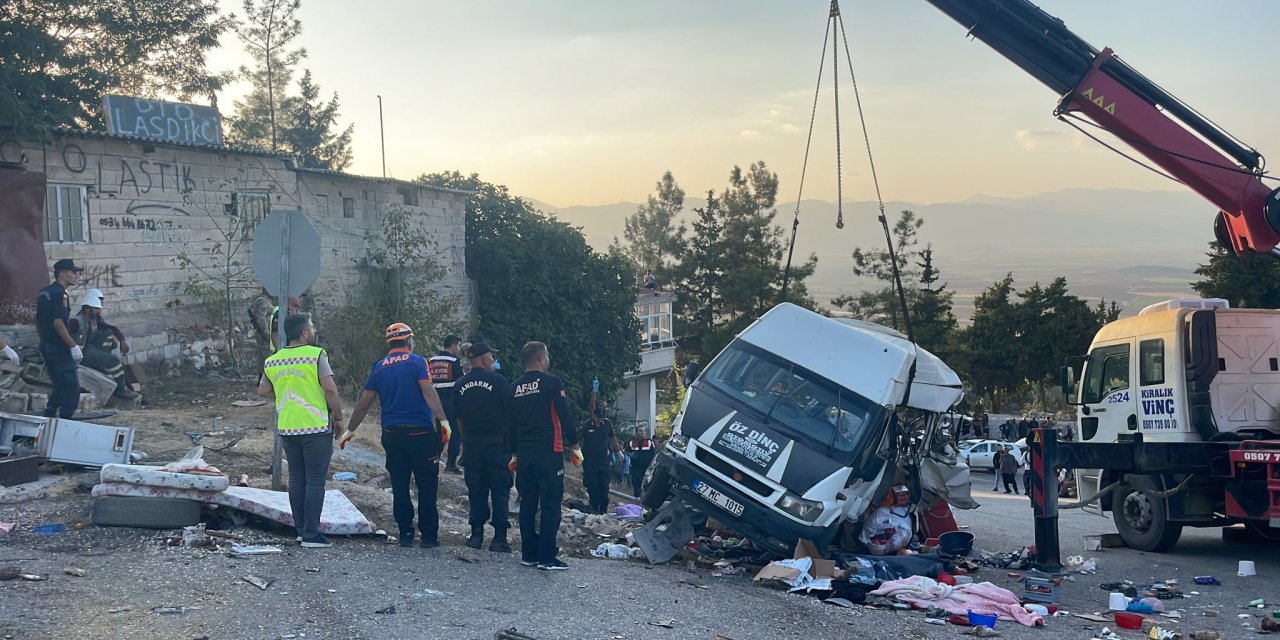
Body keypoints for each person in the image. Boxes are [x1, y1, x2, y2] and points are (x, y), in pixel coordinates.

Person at [341, 322, 450, 548]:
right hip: (420, 432)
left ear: (389, 343)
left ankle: (405, 534)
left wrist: (350, 430)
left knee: (400, 484)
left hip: (392, 433)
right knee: (427, 484)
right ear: (409, 340)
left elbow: (363, 403)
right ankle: (429, 537)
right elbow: (428, 391)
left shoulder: (378, 367)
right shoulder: (419, 362)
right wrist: (443, 419)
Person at [257, 313, 344, 549]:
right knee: (315, 480)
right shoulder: (316, 355)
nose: (314, 330)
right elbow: (330, 389)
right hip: (315, 426)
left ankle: (300, 529)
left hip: (287, 427)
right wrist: (338, 417)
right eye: (312, 327)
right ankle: (312, 534)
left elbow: (262, 390)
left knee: (297, 478)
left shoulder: (273, 360)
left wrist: (286, 392)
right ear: (304, 332)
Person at [507, 341, 580, 571]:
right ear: (540, 359)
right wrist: (575, 445)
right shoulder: (551, 383)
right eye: (546, 357)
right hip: (549, 452)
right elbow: (564, 415)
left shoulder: (514, 387)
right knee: (550, 505)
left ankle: (528, 553)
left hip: (525, 455)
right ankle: (547, 557)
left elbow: (510, 424)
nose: (548, 361)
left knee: (527, 503)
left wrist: (514, 453)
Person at [453, 342, 513, 552]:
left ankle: (476, 535)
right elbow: (509, 414)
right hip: (497, 445)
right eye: (490, 357)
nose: (492, 361)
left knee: (476, 490)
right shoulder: (499, 382)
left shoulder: (460, 384)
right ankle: (499, 539)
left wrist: (466, 439)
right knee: (500, 489)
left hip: (471, 444)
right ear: (484, 358)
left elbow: (459, 418)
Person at [70, 288, 139, 401]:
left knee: (109, 334)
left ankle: (130, 388)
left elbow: (110, 328)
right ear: (88, 309)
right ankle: (120, 390)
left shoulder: (93, 319)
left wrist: (121, 340)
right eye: (96, 308)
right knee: (114, 361)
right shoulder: (76, 322)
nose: (99, 311)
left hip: (89, 348)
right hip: (81, 354)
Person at [35, 259, 84, 418]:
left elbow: (38, 320)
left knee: (60, 385)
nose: (76, 276)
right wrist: (73, 346)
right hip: (59, 348)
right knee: (71, 388)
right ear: (63, 274)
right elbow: (58, 323)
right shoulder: (60, 294)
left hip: (47, 346)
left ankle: (49, 414)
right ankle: (66, 422)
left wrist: (44, 340)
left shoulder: (45, 291)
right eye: (73, 272)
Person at [429, 335, 465, 474]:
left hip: (436, 401)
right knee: (455, 432)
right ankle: (450, 464)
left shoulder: (431, 360)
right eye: (458, 346)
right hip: (451, 400)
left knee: (441, 432)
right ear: (453, 345)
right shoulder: (454, 360)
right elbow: (461, 381)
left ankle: (434, 460)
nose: (459, 349)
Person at [579, 395, 619, 514]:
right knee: (593, 484)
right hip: (589, 461)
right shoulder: (586, 425)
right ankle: (594, 507)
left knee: (604, 484)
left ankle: (604, 508)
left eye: (602, 418)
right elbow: (576, 440)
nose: (600, 420)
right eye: (598, 417)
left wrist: (618, 453)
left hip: (603, 460)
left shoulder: (607, 424)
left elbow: (613, 438)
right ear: (594, 415)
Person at [628, 423, 656, 498]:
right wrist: (631, 455)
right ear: (636, 433)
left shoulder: (650, 442)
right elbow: (626, 452)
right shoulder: (631, 443)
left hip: (646, 470)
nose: (643, 432)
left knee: (646, 487)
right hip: (635, 469)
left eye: (644, 431)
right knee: (636, 486)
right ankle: (636, 501)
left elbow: (654, 455)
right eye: (640, 431)